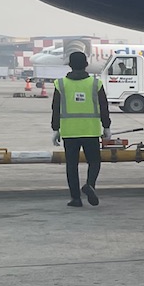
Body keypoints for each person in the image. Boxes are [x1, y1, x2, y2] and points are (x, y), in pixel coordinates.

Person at [51, 51, 111, 208]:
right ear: (86, 64)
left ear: (70, 65)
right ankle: (90, 184)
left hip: (69, 132)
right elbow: (104, 107)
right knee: (94, 161)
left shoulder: (60, 84)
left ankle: (75, 199)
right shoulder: (95, 83)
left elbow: (55, 108)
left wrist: (55, 129)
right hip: (91, 131)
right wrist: (107, 126)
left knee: (71, 165)